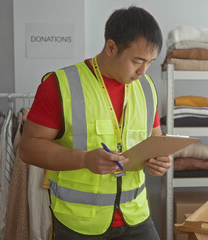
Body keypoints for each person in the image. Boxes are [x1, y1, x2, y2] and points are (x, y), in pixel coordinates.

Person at [19, 5, 171, 240]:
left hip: (137, 217)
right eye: (137, 61)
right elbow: (28, 148)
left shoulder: (147, 88)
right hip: (78, 224)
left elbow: (155, 140)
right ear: (111, 47)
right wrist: (84, 159)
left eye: (150, 62)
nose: (143, 71)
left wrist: (160, 161)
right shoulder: (59, 84)